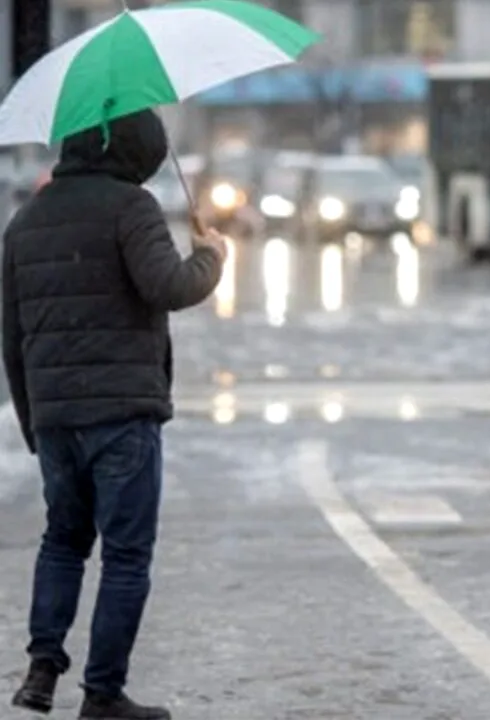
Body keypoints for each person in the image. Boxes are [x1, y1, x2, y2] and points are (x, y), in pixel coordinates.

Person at [5, 109, 227, 720]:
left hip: (55, 418)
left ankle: (42, 670)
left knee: (63, 541)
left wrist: (35, 421)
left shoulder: (27, 218)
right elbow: (171, 287)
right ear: (137, 152)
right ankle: (103, 694)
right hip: (121, 413)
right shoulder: (131, 207)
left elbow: (11, 333)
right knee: (126, 556)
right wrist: (211, 257)